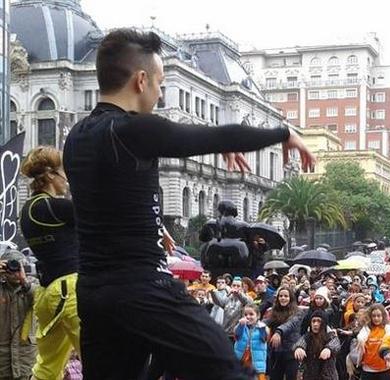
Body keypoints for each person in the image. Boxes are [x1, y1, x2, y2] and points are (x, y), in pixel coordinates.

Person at [64, 28, 314, 380]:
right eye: (159, 82)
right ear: (140, 80)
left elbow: (110, 202)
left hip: (93, 293)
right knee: (227, 370)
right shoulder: (131, 130)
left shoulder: (76, 138)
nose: (160, 92)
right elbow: (220, 133)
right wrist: (283, 133)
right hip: (143, 286)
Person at [18, 146, 81, 380]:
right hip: (70, 290)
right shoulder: (54, 207)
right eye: (64, 172)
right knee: (101, 361)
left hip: (48, 294)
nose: (66, 179)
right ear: (52, 175)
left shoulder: (28, 210)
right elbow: (101, 213)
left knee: (47, 368)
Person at [0, 251, 36, 380]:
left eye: (17, 266)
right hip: (2, 362)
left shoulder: (33, 286)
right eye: (9, 266)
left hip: (26, 359)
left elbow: (41, 300)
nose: (14, 270)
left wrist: (24, 281)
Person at [264, 286, 301, 380]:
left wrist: (278, 332)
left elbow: (290, 324)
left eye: (286, 296)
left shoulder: (297, 312)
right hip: (277, 353)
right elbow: (266, 321)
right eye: (280, 296)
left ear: (290, 298)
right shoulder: (274, 311)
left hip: (291, 353)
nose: (283, 298)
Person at [293, 310, 341, 380]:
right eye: (313, 321)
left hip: (328, 376)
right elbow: (301, 342)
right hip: (310, 375)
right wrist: (299, 347)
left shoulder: (330, 336)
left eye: (319, 321)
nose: (315, 324)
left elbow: (336, 344)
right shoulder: (308, 336)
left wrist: (328, 349)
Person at [355, 304, 390, 380]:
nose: (376, 318)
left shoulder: (389, 329)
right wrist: (360, 339)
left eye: (379, 316)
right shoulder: (366, 329)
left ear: (383, 316)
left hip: (385, 369)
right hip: (368, 369)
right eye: (374, 316)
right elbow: (360, 338)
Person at [233, 304, 268, 379]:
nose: (248, 317)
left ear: (258, 316)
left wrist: (262, 329)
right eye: (245, 314)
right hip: (242, 360)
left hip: (257, 363)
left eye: (251, 314)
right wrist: (240, 325)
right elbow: (236, 335)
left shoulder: (262, 327)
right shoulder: (241, 326)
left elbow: (264, 338)